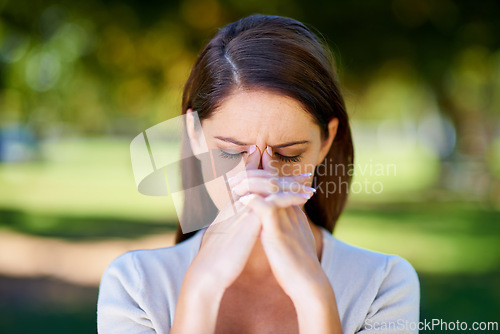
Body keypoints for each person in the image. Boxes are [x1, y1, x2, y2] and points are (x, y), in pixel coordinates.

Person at [97, 14, 420, 334]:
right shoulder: (136, 285)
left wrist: (315, 296)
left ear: (326, 142)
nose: (259, 180)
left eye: (288, 153)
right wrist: (200, 291)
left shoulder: (381, 284)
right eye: (231, 152)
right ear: (194, 135)